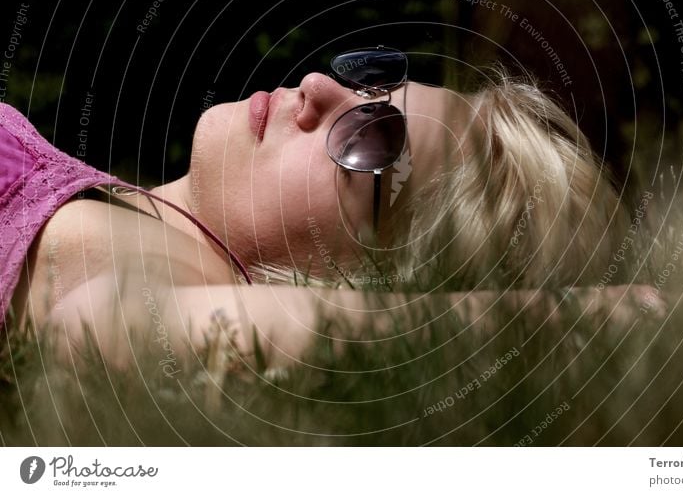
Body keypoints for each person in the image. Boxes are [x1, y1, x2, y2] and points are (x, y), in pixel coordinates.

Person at [1, 48, 646, 372]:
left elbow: (95, 325)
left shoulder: (164, 271)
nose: (316, 87)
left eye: (370, 141)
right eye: (369, 79)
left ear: (354, 286)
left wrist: (598, 316)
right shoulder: (137, 217)